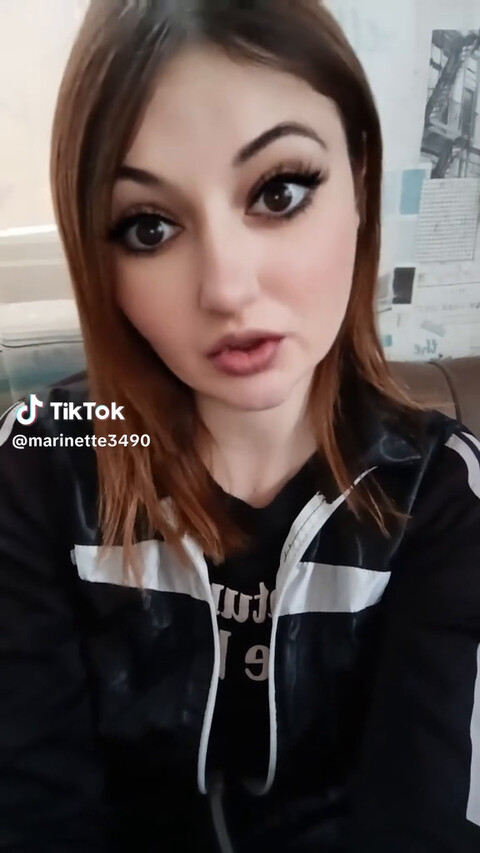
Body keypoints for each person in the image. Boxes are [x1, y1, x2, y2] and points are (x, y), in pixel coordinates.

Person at [0, 0, 479, 850]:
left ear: (360, 178)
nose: (225, 286)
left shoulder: (442, 498)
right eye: (149, 227)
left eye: (279, 191)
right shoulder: (41, 460)